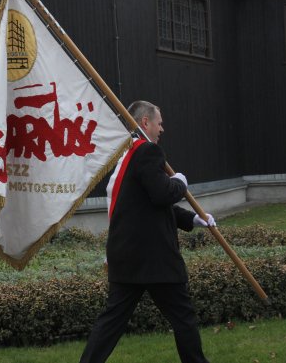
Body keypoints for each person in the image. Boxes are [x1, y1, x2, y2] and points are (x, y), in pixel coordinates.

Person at [79, 100, 216, 363]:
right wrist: (179, 183)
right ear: (145, 123)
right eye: (159, 122)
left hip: (127, 257)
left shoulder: (126, 155)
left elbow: (145, 207)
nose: (162, 128)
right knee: (183, 318)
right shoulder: (148, 152)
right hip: (155, 261)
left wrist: (193, 219)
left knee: (111, 323)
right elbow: (162, 195)